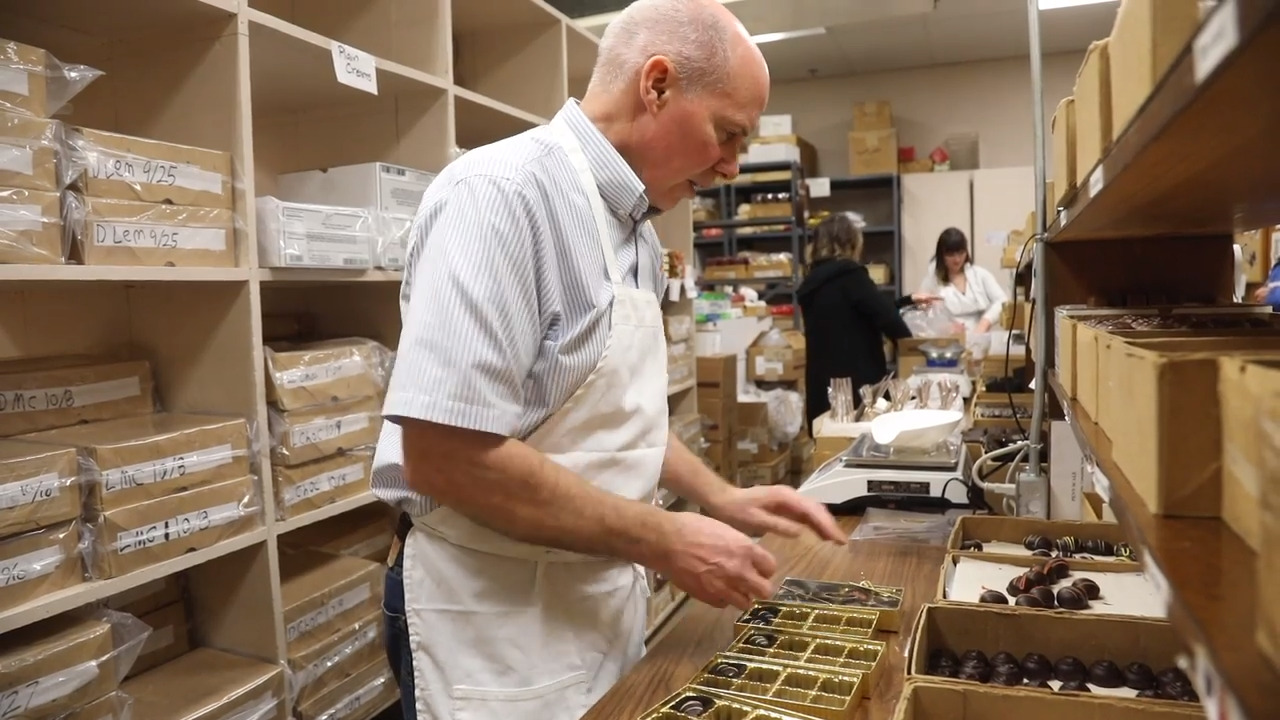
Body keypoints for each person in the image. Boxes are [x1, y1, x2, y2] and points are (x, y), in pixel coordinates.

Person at [369, 1, 847, 718]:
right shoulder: (500, 197)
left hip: (591, 599)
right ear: (656, 85)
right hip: (490, 616)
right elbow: (444, 453)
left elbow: (614, 419)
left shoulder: (638, 237)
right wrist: (664, 537)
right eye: (727, 134)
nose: (730, 166)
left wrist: (717, 496)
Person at [797, 212, 938, 429]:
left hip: (823, 391)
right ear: (851, 242)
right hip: (857, 393)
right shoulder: (851, 276)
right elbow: (889, 321)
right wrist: (915, 353)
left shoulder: (812, 282)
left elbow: (854, 315)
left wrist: (906, 301)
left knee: (827, 449)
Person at [918, 227, 1009, 334]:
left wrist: (985, 322)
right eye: (951, 255)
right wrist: (943, 327)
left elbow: (1002, 300)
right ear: (941, 255)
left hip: (979, 338)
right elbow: (920, 313)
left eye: (961, 253)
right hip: (947, 341)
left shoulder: (980, 275)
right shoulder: (932, 280)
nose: (957, 260)